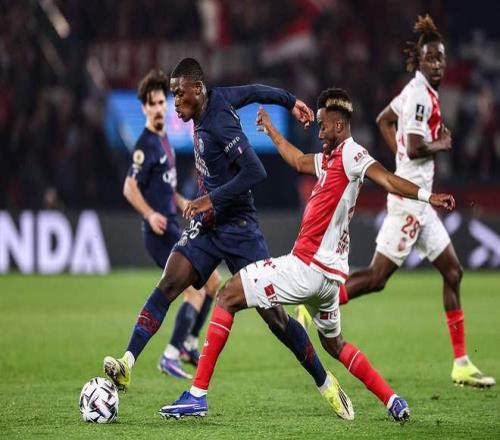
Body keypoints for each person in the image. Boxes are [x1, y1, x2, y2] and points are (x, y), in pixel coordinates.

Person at [160, 88, 455, 421]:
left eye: (323, 126)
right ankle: (392, 400)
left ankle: (197, 396)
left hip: (307, 267)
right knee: (335, 344)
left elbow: (387, 179)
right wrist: (271, 131)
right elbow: (299, 160)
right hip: (328, 280)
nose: (319, 133)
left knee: (227, 295)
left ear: (340, 125)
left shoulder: (352, 154)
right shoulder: (330, 158)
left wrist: (428, 197)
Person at [104, 58, 339, 414]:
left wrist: (209, 199)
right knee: (169, 283)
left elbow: (255, 171)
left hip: (240, 229)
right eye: (172, 95)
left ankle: (324, 381)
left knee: (275, 319)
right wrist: (291, 101)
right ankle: (127, 363)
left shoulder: (220, 124)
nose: (175, 103)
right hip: (209, 226)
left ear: (197, 89)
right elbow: (257, 90)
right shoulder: (218, 96)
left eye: (179, 94)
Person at [309, 15, 494, 388]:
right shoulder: (421, 97)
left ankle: (461, 363)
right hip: (410, 203)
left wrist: (401, 160)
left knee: (453, 272)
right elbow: (413, 145)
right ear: (420, 62)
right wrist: (440, 144)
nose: (437, 64)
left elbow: (383, 120)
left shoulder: (413, 91)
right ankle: (313, 303)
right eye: (431, 59)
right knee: (377, 278)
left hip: (419, 204)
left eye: (441, 58)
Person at [119, 69, 221, 380]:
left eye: (162, 101)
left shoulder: (164, 140)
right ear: (144, 108)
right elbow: (129, 187)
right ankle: (170, 355)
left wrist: (184, 203)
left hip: (173, 226)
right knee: (193, 294)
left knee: (214, 283)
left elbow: (167, 189)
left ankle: (188, 343)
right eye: (152, 103)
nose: (158, 108)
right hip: (158, 233)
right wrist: (150, 214)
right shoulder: (145, 144)